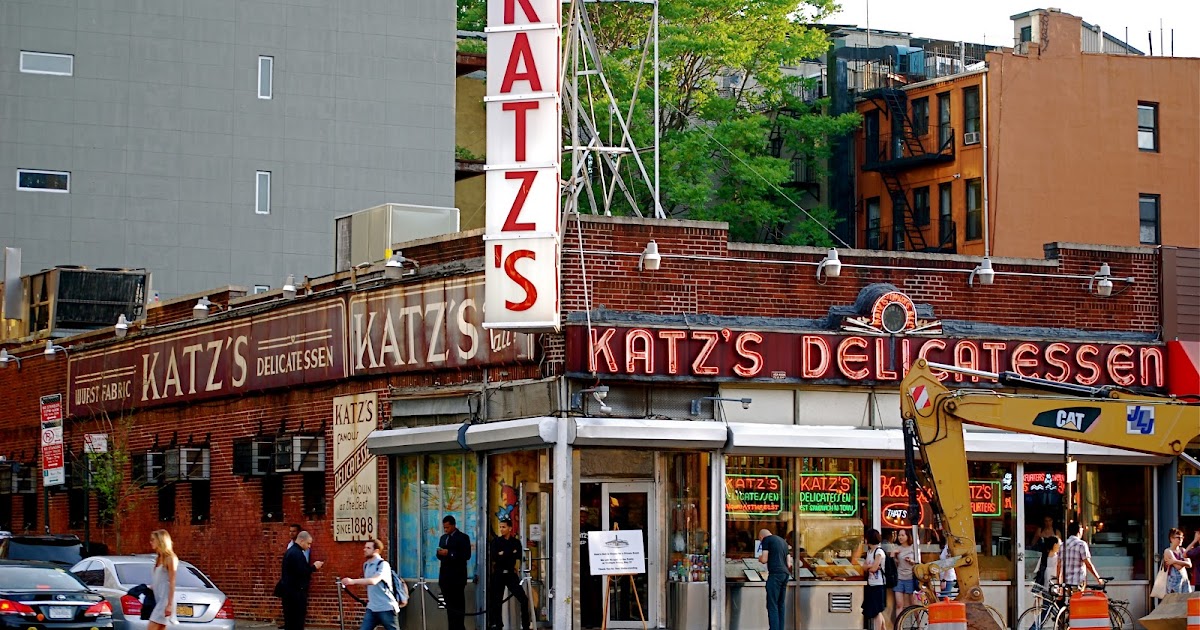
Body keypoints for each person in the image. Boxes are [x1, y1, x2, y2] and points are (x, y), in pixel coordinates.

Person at [340, 538, 403, 630]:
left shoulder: (383, 564)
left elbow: (374, 581)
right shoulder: (366, 565)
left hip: (386, 607)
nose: (364, 549)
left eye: (368, 548)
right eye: (365, 547)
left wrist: (353, 581)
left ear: (376, 550)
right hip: (372, 608)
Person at [488, 518, 531, 630]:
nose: (502, 529)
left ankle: (525, 625)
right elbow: (495, 557)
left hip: (511, 574)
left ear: (510, 528)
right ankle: (498, 625)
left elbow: (517, 556)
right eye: (500, 527)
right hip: (499, 574)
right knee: (497, 601)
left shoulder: (515, 542)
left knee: (523, 599)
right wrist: (508, 553)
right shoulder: (496, 542)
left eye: (504, 527)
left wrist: (503, 554)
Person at [280, 531, 325, 630]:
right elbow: (302, 572)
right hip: (296, 594)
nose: (309, 546)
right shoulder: (297, 553)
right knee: (296, 623)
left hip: (289, 593)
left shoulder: (291, 552)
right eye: (308, 543)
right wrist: (314, 567)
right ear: (301, 540)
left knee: (291, 622)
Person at [437, 515, 472, 630]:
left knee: (458, 606)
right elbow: (438, 553)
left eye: (447, 527)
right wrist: (440, 553)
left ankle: (459, 627)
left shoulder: (463, 538)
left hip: (457, 578)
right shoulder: (443, 538)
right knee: (449, 607)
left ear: (453, 525)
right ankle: (452, 627)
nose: (446, 530)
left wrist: (450, 553)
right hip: (445, 577)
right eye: (444, 528)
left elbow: (466, 555)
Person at [757, 528, 792, 630]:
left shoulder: (766, 540)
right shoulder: (783, 542)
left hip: (775, 575)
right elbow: (789, 563)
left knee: (772, 605)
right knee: (780, 604)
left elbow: (764, 559)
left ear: (760, 537)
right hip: (785, 575)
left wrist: (760, 558)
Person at [147, 529, 178, 630]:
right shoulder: (158, 558)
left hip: (165, 600)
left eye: (153, 540)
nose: (151, 542)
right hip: (158, 598)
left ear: (161, 541)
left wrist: (169, 604)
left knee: (151, 627)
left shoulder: (170, 558)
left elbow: (172, 582)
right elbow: (159, 579)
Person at [857, 528, 886, 630]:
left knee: (876, 611)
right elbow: (865, 567)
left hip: (879, 585)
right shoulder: (869, 552)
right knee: (876, 610)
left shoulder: (879, 552)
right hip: (871, 584)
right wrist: (871, 567)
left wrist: (870, 567)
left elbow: (873, 568)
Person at [1059, 522, 1103, 588]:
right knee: (1078, 597)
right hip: (1078, 580)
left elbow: (1059, 564)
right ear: (1079, 531)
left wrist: (1058, 581)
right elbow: (1088, 563)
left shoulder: (1062, 545)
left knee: (1069, 598)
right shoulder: (1081, 544)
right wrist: (1098, 577)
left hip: (1066, 582)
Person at [891, 529, 920, 620]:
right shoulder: (897, 548)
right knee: (899, 604)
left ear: (908, 536)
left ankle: (919, 625)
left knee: (913, 604)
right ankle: (898, 625)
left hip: (910, 578)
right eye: (899, 535)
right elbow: (894, 564)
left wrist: (912, 561)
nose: (900, 537)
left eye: (903, 535)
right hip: (899, 578)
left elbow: (919, 564)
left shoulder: (913, 548)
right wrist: (892, 555)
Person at [1163, 528, 1193, 594]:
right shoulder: (1168, 551)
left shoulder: (1183, 550)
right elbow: (1178, 567)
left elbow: (1190, 564)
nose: (1181, 540)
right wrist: (1183, 563)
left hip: (1184, 579)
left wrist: (1175, 561)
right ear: (1171, 539)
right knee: (1174, 600)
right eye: (1178, 538)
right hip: (1173, 580)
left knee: (1185, 600)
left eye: (1182, 538)